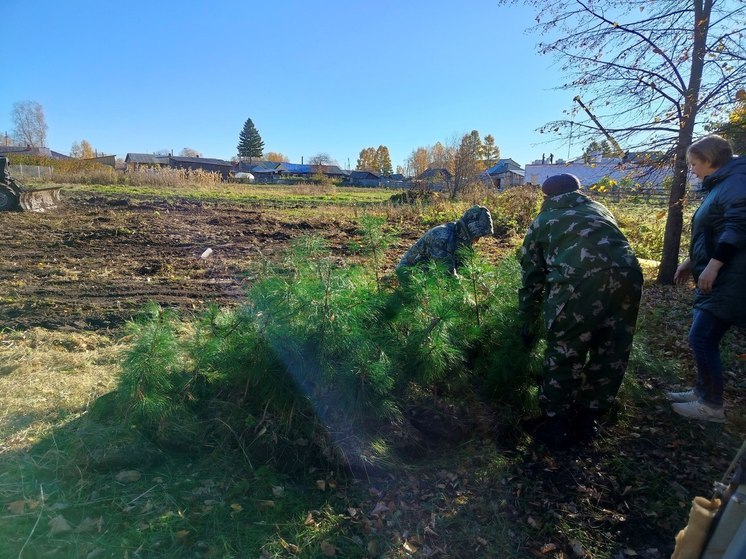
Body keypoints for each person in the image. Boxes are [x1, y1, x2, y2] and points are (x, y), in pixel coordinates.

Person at [518, 173, 643, 449]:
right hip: (629, 276)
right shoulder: (600, 209)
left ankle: (554, 425)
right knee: (611, 350)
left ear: (547, 197)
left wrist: (527, 317)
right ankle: (589, 419)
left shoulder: (543, 221)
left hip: (579, 283)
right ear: (578, 191)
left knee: (565, 351)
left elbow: (532, 276)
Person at [667, 135, 746, 423]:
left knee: (701, 338)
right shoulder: (722, 184)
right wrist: (691, 261)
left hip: (731, 277)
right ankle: (702, 392)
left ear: (710, 160)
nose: (692, 170)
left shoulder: (736, 182)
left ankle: (712, 405)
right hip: (722, 272)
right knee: (702, 337)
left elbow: (738, 226)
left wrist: (713, 266)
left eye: (694, 163)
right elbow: (710, 231)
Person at [396, 205, 494, 276]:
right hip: (411, 272)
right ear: (469, 228)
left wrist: (481, 286)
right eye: (477, 236)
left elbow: (464, 268)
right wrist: (468, 300)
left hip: (434, 271)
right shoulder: (442, 237)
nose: (477, 241)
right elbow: (447, 274)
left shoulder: (462, 238)